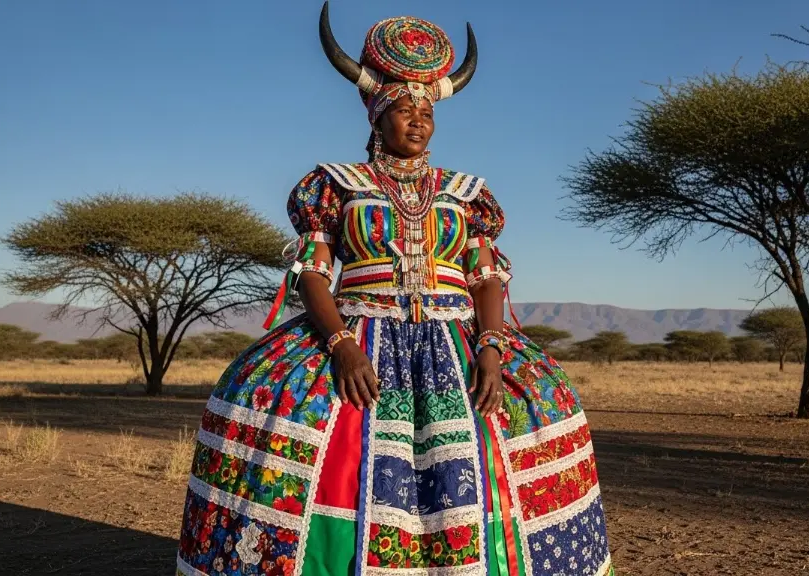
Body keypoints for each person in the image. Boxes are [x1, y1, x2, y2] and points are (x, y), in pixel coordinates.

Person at [176, 3, 613, 575]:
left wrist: (491, 346)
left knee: (544, 405)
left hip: (460, 340)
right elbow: (312, 272)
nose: (417, 120)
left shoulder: (465, 193)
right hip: (358, 335)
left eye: (426, 111)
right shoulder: (338, 186)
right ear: (377, 118)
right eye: (404, 109)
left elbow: (485, 275)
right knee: (272, 406)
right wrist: (340, 345)